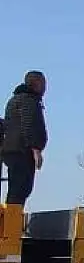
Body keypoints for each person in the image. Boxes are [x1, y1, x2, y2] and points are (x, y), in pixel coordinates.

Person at [1, 70, 48, 205]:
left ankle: (12, 217)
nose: (45, 87)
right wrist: (36, 149)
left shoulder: (15, 100)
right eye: (43, 83)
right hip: (22, 151)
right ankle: (12, 220)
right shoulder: (28, 100)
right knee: (20, 189)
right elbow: (30, 124)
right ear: (37, 83)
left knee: (17, 188)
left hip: (11, 150)